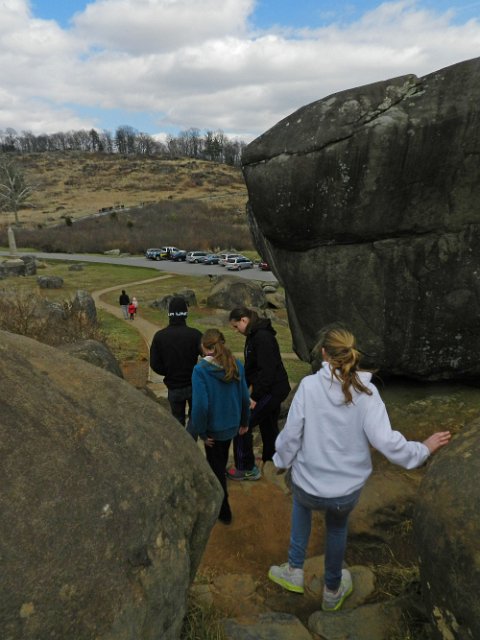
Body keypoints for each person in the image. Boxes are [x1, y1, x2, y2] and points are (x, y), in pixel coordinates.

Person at [268, 327, 451, 612]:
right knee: (337, 529)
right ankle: (332, 589)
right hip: (345, 491)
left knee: (301, 510)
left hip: (307, 484)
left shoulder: (308, 387)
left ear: (324, 354)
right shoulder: (367, 392)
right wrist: (423, 448)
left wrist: (280, 462)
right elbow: (386, 441)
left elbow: (292, 435)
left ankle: (293, 571)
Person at [190, 329, 250, 524]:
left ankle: (223, 511)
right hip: (231, 425)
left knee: (216, 469)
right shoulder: (235, 363)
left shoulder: (200, 371)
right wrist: (244, 421)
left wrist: (201, 432)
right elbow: (244, 397)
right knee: (221, 461)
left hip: (213, 431)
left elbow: (200, 406)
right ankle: (221, 503)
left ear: (204, 348)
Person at [227, 307, 291, 481]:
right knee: (268, 424)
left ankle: (245, 467)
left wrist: (255, 398)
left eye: (235, 326)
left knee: (243, 422)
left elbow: (267, 372)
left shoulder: (262, 338)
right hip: (272, 387)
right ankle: (272, 459)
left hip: (272, 389)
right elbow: (252, 368)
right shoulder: (254, 335)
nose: (235, 330)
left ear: (244, 320)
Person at [150, 296, 202, 427]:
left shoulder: (160, 336)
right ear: (185, 314)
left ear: (169, 314)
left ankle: (181, 446)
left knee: (177, 422)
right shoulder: (195, 335)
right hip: (193, 383)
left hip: (173, 386)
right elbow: (209, 356)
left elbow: (154, 364)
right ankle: (192, 443)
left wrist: (168, 371)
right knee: (195, 419)